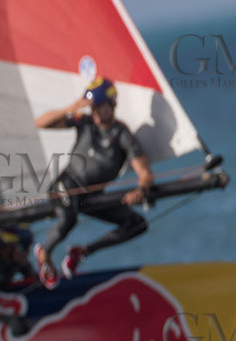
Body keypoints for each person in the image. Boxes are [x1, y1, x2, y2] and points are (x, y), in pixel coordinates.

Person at [31, 76, 154, 287]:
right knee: (67, 220)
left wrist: (140, 191)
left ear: (112, 104)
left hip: (92, 197)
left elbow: (145, 173)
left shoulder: (122, 135)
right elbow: (40, 123)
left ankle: (82, 252)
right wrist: (71, 107)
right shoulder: (85, 123)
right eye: (93, 108)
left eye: (100, 107)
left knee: (137, 224)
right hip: (66, 186)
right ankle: (44, 254)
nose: (95, 112)